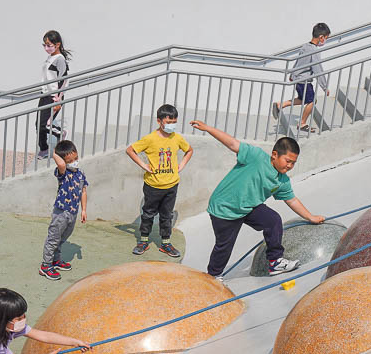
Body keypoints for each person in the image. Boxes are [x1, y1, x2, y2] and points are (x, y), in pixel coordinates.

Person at [190, 120, 325, 277]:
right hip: (224, 208)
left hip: (248, 207)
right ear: (275, 155)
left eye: (293, 163)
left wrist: (311, 217)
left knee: (273, 220)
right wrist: (207, 128)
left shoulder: (282, 180)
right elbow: (233, 144)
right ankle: (213, 276)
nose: (289, 166)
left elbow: (292, 200)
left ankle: (275, 262)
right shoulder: (256, 157)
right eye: (287, 161)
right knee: (224, 245)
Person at [126, 104, 193, 257]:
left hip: (172, 185)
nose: (171, 125)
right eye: (168, 122)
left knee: (166, 215)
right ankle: (143, 241)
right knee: (148, 214)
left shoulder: (177, 138)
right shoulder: (150, 138)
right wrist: (144, 165)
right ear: (159, 121)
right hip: (153, 185)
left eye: (174, 122)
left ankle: (166, 243)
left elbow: (189, 150)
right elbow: (130, 150)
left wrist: (180, 166)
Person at [39, 140, 88, 281]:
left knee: (62, 238)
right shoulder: (63, 172)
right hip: (61, 213)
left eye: (76, 158)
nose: (74, 162)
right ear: (64, 161)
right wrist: (54, 151)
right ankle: (46, 265)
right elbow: (60, 164)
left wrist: (84, 210)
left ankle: (56, 260)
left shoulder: (80, 173)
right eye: (70, 160)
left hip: (73, 213)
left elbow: (83, 192)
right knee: (53, 239)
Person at [272, 23, 331, 133]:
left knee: (302, 99)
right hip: (304, 80)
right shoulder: (314, 50)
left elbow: (298, 61)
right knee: (312, 100)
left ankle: (280, 105)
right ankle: (302, 123)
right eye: (326, 38)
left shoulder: (305, 46)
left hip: (298, 79)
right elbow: (318, 69)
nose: (325, 41)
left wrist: (292, 75)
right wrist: (324, 86)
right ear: (321, 37)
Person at [37, 30, 71, 160]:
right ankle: (44, 149)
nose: (46, 48)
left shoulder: (60, 59)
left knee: (44, 124)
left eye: (49, 45)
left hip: (53, 96)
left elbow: (64, 79)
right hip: (45, 94)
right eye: (44, 45)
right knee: (38, 125)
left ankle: (59, 133)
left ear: (57, 45)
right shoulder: (50, 57)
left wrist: (58, 99)